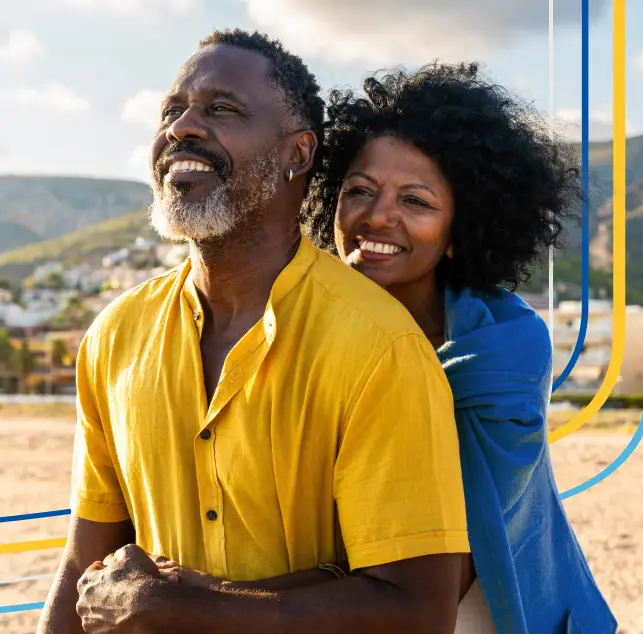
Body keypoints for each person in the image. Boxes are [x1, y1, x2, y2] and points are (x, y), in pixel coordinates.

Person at [153, 64, 618, 633]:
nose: (378, 216)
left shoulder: (501, 347)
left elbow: (444, 560)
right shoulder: (299, 326)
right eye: (360, 192)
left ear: (459, 228)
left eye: (416, 202)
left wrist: (206, 599)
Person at [37, 29, 473, 634]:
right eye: (172, 110)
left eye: (222, 109)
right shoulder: (114, 336)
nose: (182, 127)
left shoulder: (380, 347)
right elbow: (85, 566)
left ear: (297, 153)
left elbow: (418, 611)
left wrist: (181, 610)